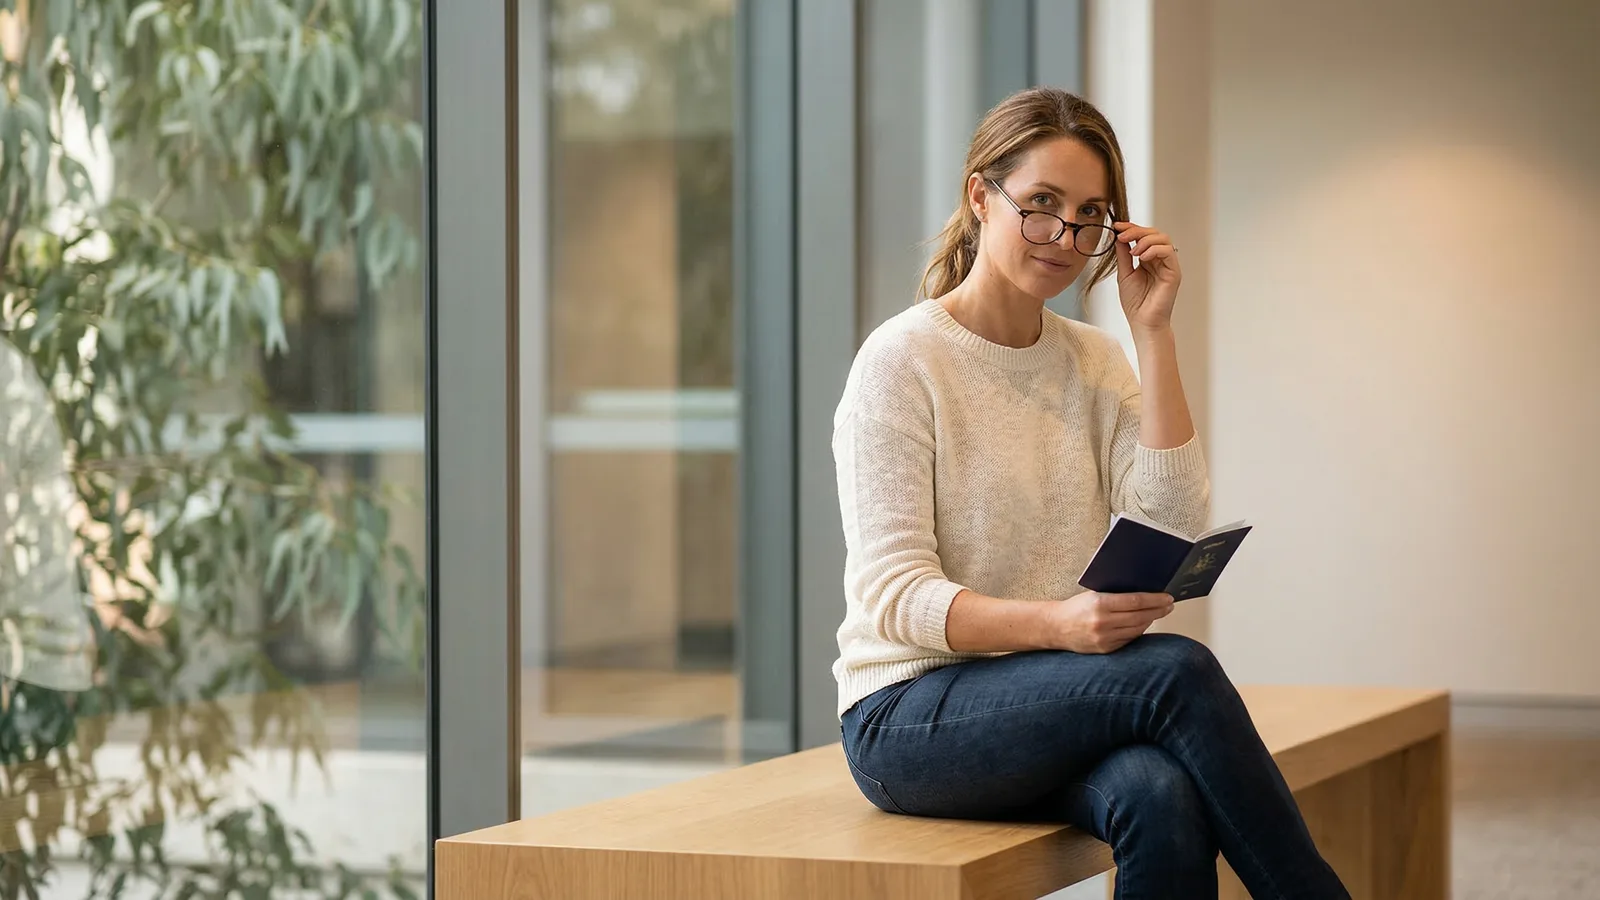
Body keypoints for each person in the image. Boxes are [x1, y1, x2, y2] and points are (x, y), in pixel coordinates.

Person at [831, 87, 1349, 899]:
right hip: (908, 718)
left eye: (1090, 214)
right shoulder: (901, 362)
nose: (1066, 237)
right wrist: (1060, 625)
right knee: (1174, 671)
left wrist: (1154, 332)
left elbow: (1172, 524)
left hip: (1052, 698)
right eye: (1041, 205)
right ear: (980, 197)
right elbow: (895, 598)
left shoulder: (1096, 358)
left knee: (1159, 794)